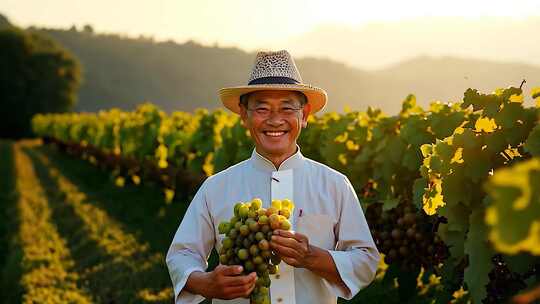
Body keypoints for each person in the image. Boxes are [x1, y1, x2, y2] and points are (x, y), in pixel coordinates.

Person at [166, 50, 380, 304]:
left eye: (287, 108)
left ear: (305, 115)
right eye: (262, 109)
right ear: (244, 116)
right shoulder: (215, 187)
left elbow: (366, 260)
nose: (275, 120)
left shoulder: (335, 185)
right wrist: (205, 283)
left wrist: (311, 256)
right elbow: (181, 254)